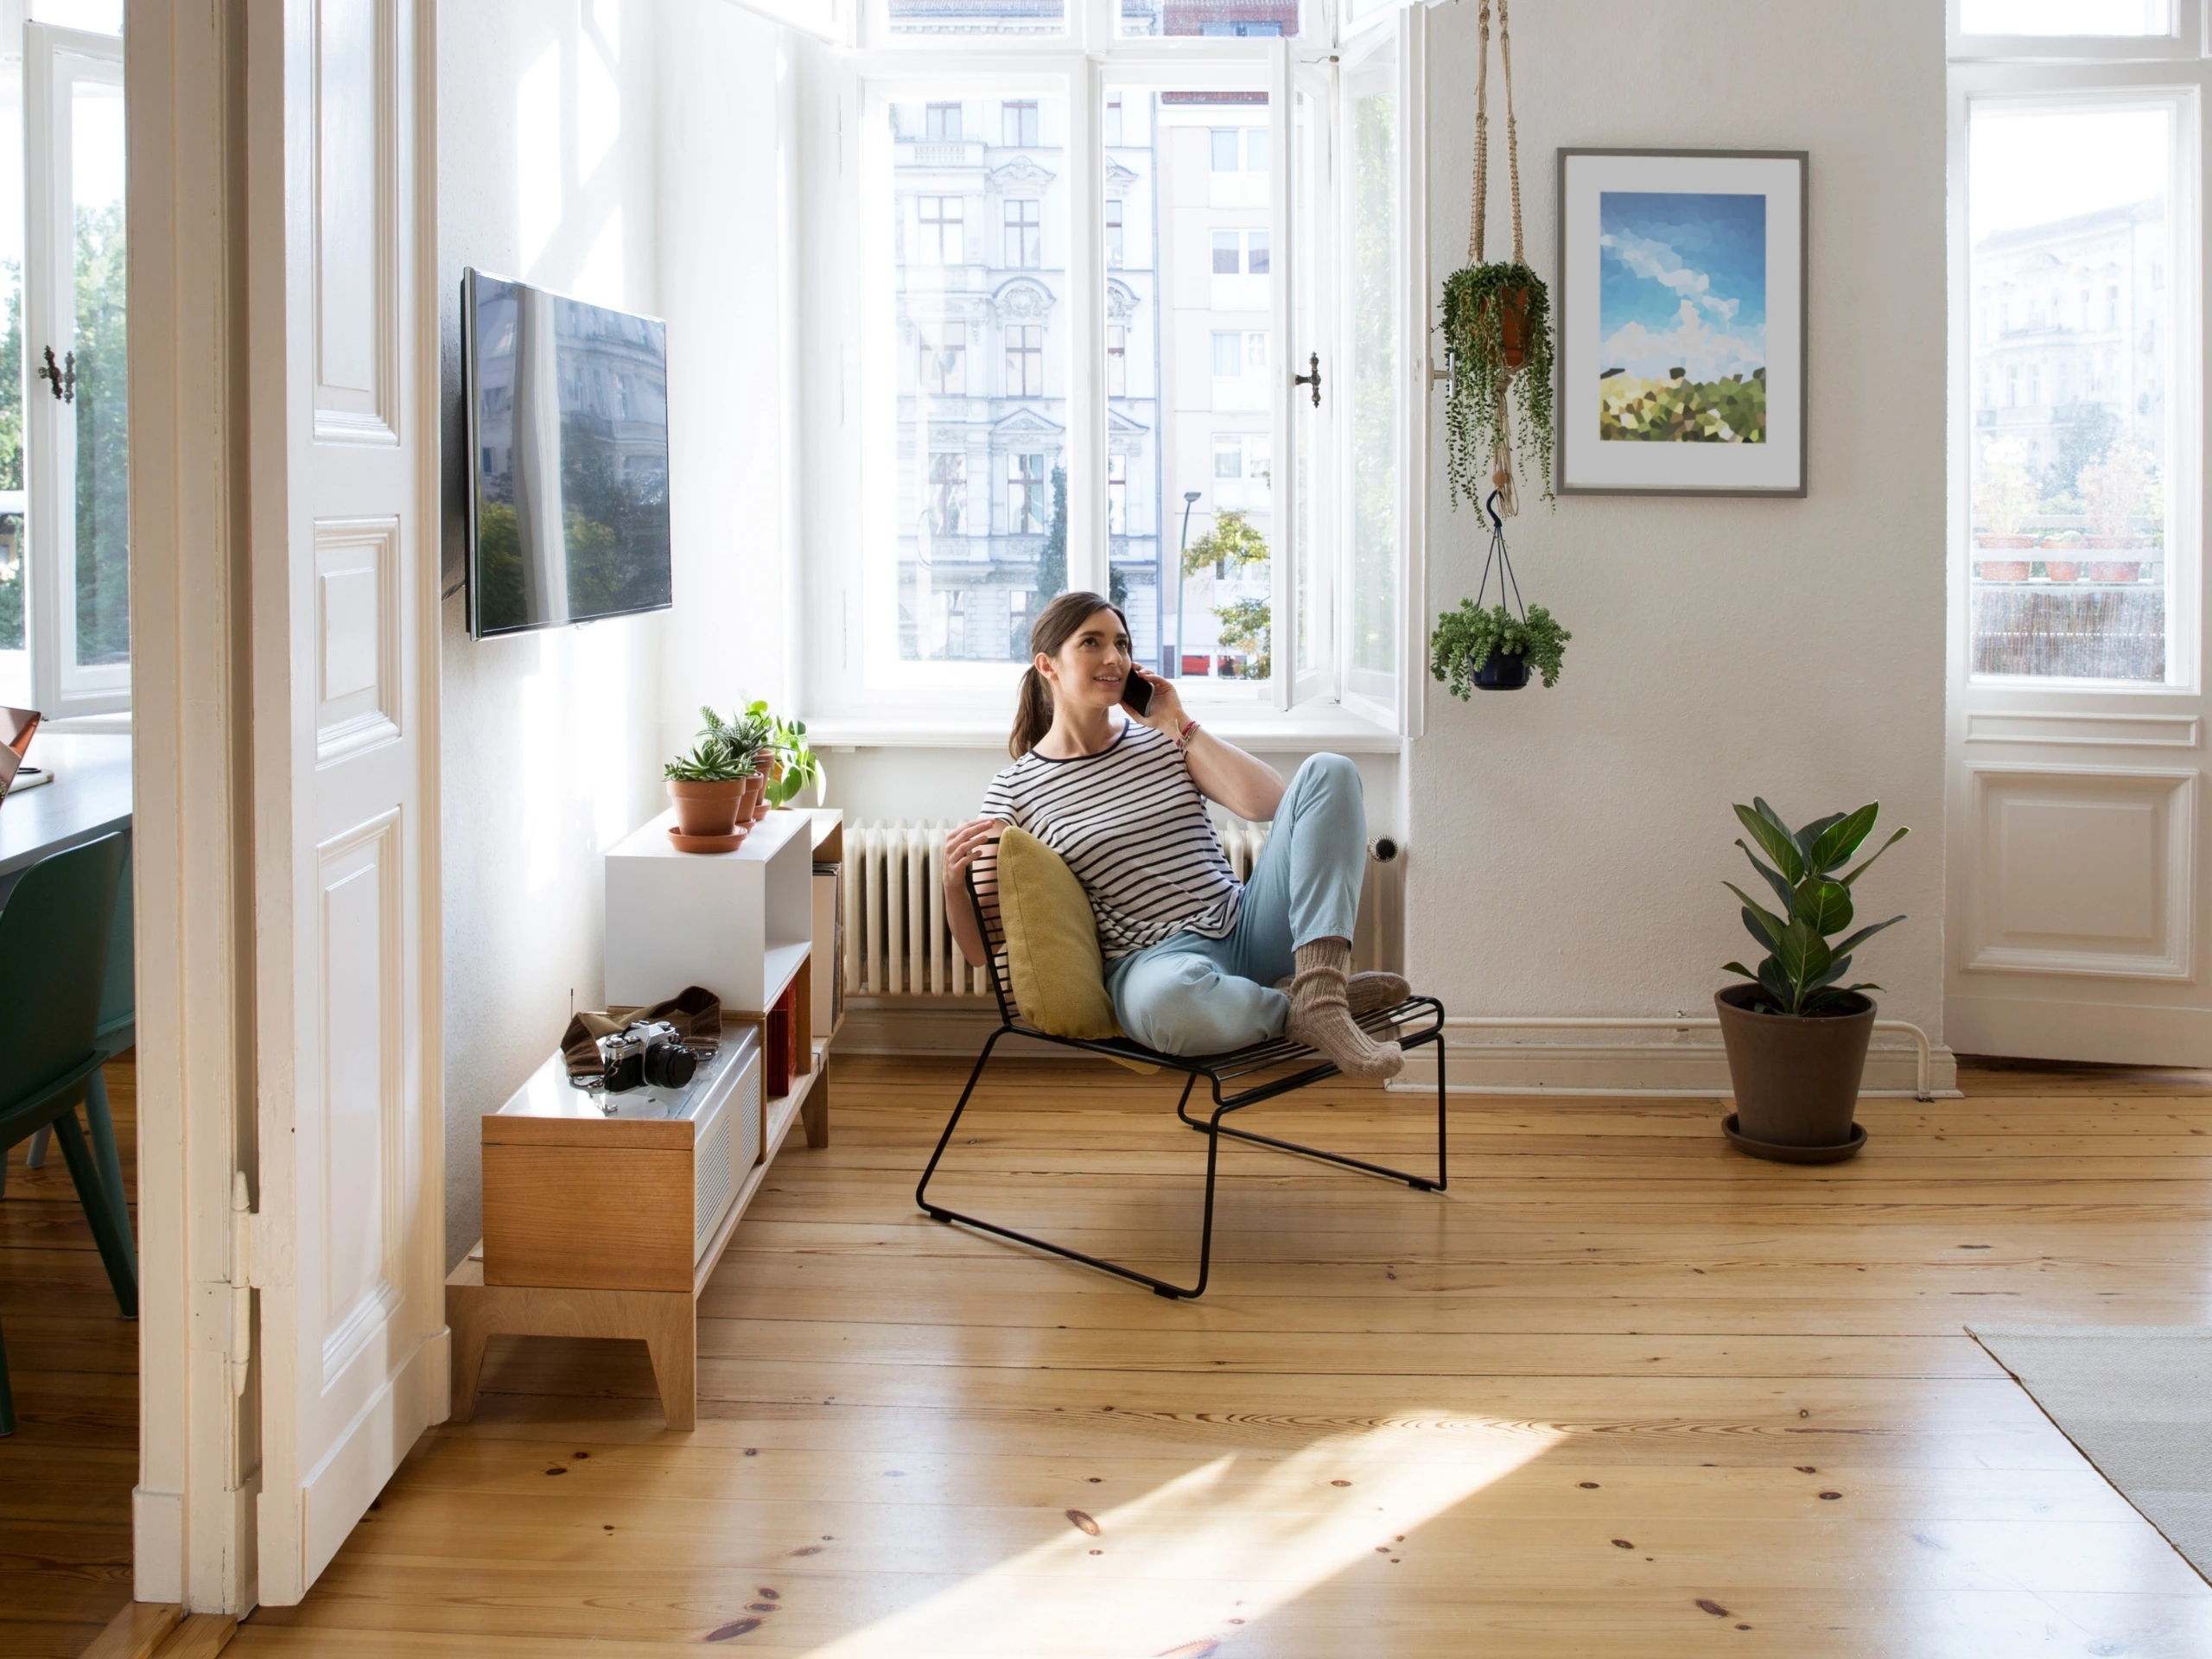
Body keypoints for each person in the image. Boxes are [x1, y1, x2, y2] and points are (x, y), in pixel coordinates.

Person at [944, 590, 1408, 1079]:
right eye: (1091, 643)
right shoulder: (1015, 789)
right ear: (1048, 664)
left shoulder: (1164, 741)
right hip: (1156, 962)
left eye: (1122, 644)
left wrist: (1176, 721)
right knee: (1163, 1008)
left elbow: (1272, 804)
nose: (1114, 658)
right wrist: (953, 885)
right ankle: (1309, 1002)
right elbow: (980, 951)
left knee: (1329, 771)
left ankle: (1318, 991)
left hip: (1247, 924)